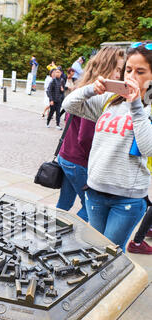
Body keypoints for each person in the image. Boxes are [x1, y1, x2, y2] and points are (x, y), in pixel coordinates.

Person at [62, 42, 152, 252]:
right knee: (94, 249)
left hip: (126, 199)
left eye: (140, 71)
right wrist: (91, 89)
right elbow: (69, 105)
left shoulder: (148, 108)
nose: (131, 76)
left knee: (108, 254)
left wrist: (136, 105)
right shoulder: (111, 100)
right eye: (128, 70)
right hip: (95, 191)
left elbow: (148, 148)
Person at [56, 47, 125, 222]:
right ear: (106, 67)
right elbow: (86, 137)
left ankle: (51, 230)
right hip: (79, 161)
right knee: (89, 209)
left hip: (66, 156)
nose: (119, 75)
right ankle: (64, 236)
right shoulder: (97, 95)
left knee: (64, 204)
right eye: (117, 69)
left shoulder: (84, 86)